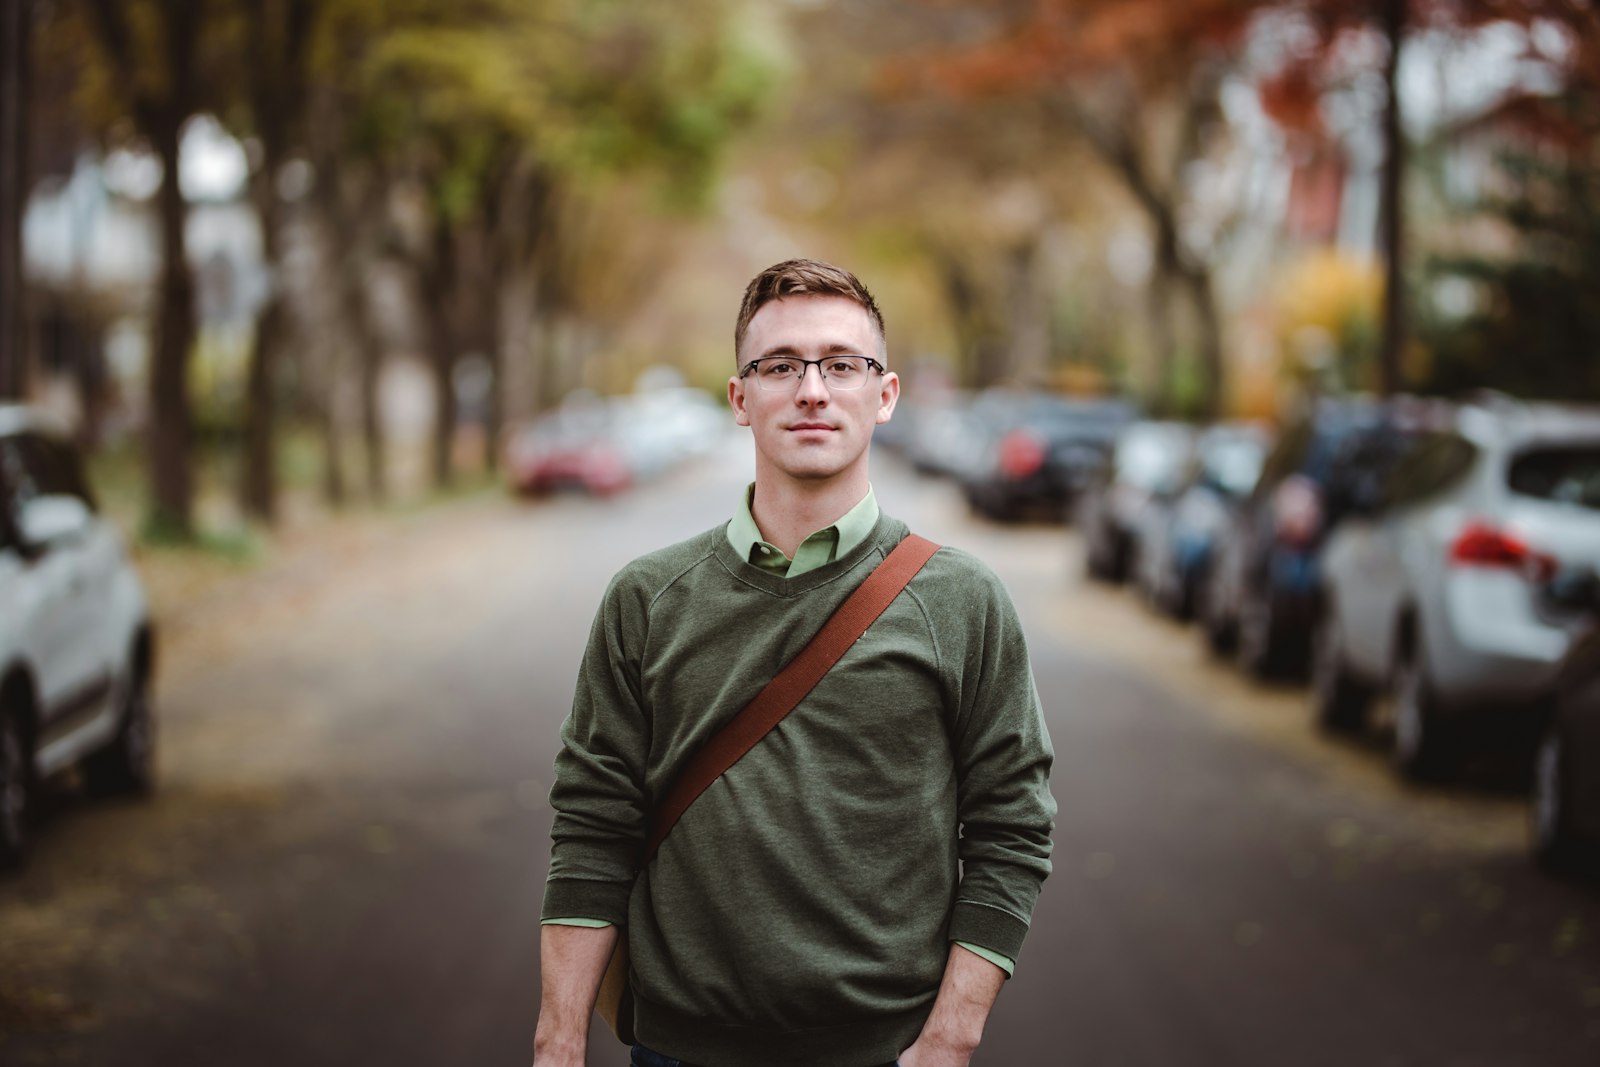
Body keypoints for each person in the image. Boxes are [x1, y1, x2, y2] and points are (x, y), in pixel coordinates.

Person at [532, 259, 1055, 1067]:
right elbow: (594, 825)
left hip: (886, 1051)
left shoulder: (961, 600)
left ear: (884, 395)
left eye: (842, 364)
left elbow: (1011, 827)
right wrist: (559, 1037)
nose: (812, 389)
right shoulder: (647, 599)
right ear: (740, 399)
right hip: (678, 1051)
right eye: (780, 365)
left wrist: (952, 1036)